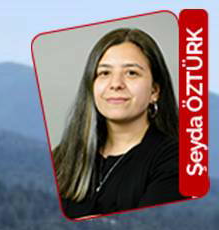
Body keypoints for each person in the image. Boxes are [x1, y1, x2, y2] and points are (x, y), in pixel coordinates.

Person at [51, 27, 182, 219]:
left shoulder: (177, 159)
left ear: (154, 91)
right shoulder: (63, 156)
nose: (116, 84)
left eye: (131, 73)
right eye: (104, 73)